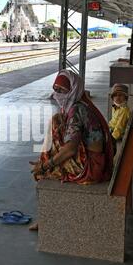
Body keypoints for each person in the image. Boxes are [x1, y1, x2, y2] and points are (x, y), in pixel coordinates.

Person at [29, 70, 114, 230]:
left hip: (91, 168)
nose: (57, 94)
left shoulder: (76, 110)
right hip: (96, 160)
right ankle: (45, 159)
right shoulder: (82, 105)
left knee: (45, 173)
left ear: (73, 89)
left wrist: (47, 165)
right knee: (57, 120)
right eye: (55, 89)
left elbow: (70, 149)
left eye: (62, 90)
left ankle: (47, 219)